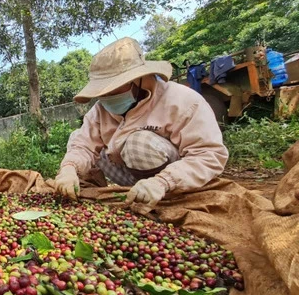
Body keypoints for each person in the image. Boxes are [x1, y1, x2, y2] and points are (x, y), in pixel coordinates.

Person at [55, 37, 229, 207]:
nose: (106, 97)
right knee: (86, 148)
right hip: (130, 176)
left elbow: (208, 155)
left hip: (176, 180)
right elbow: (83, 145)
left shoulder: (183, 101)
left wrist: (163, 181)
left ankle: (163, 197)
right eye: (102, 91)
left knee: (138, 143)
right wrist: (69, 168)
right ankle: (136, 195)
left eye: (113, 88)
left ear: (137, 79)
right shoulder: (101, 110)